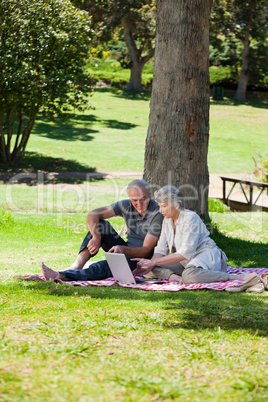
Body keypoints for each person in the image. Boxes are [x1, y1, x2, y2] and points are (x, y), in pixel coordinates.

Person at [132, 185, 263, 292]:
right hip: (186, 263)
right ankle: (177, 279)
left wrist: (155, 263)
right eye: (160, 206)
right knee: (151, 269)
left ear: (177, 204)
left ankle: (238, 277)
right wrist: (148, 265)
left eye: (164, 206)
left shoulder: (190, 218)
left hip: (205, 255)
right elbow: (160, 250)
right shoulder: (167, 221)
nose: (161, 210)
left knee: (188, 275)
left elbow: (186, 252)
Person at [41, 179, 164, 282]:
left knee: (108, 265)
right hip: (126, 249)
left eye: (143, 199)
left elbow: (145, 251)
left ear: (150, 196)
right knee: (100, 225)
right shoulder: (126, 205)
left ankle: (62, 276)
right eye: (134, 200)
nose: (139, 204)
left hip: (141, 259)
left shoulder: (157, 213)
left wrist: (123, 250)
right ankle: (76, 266)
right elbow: (93, 214)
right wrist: (96, 237)